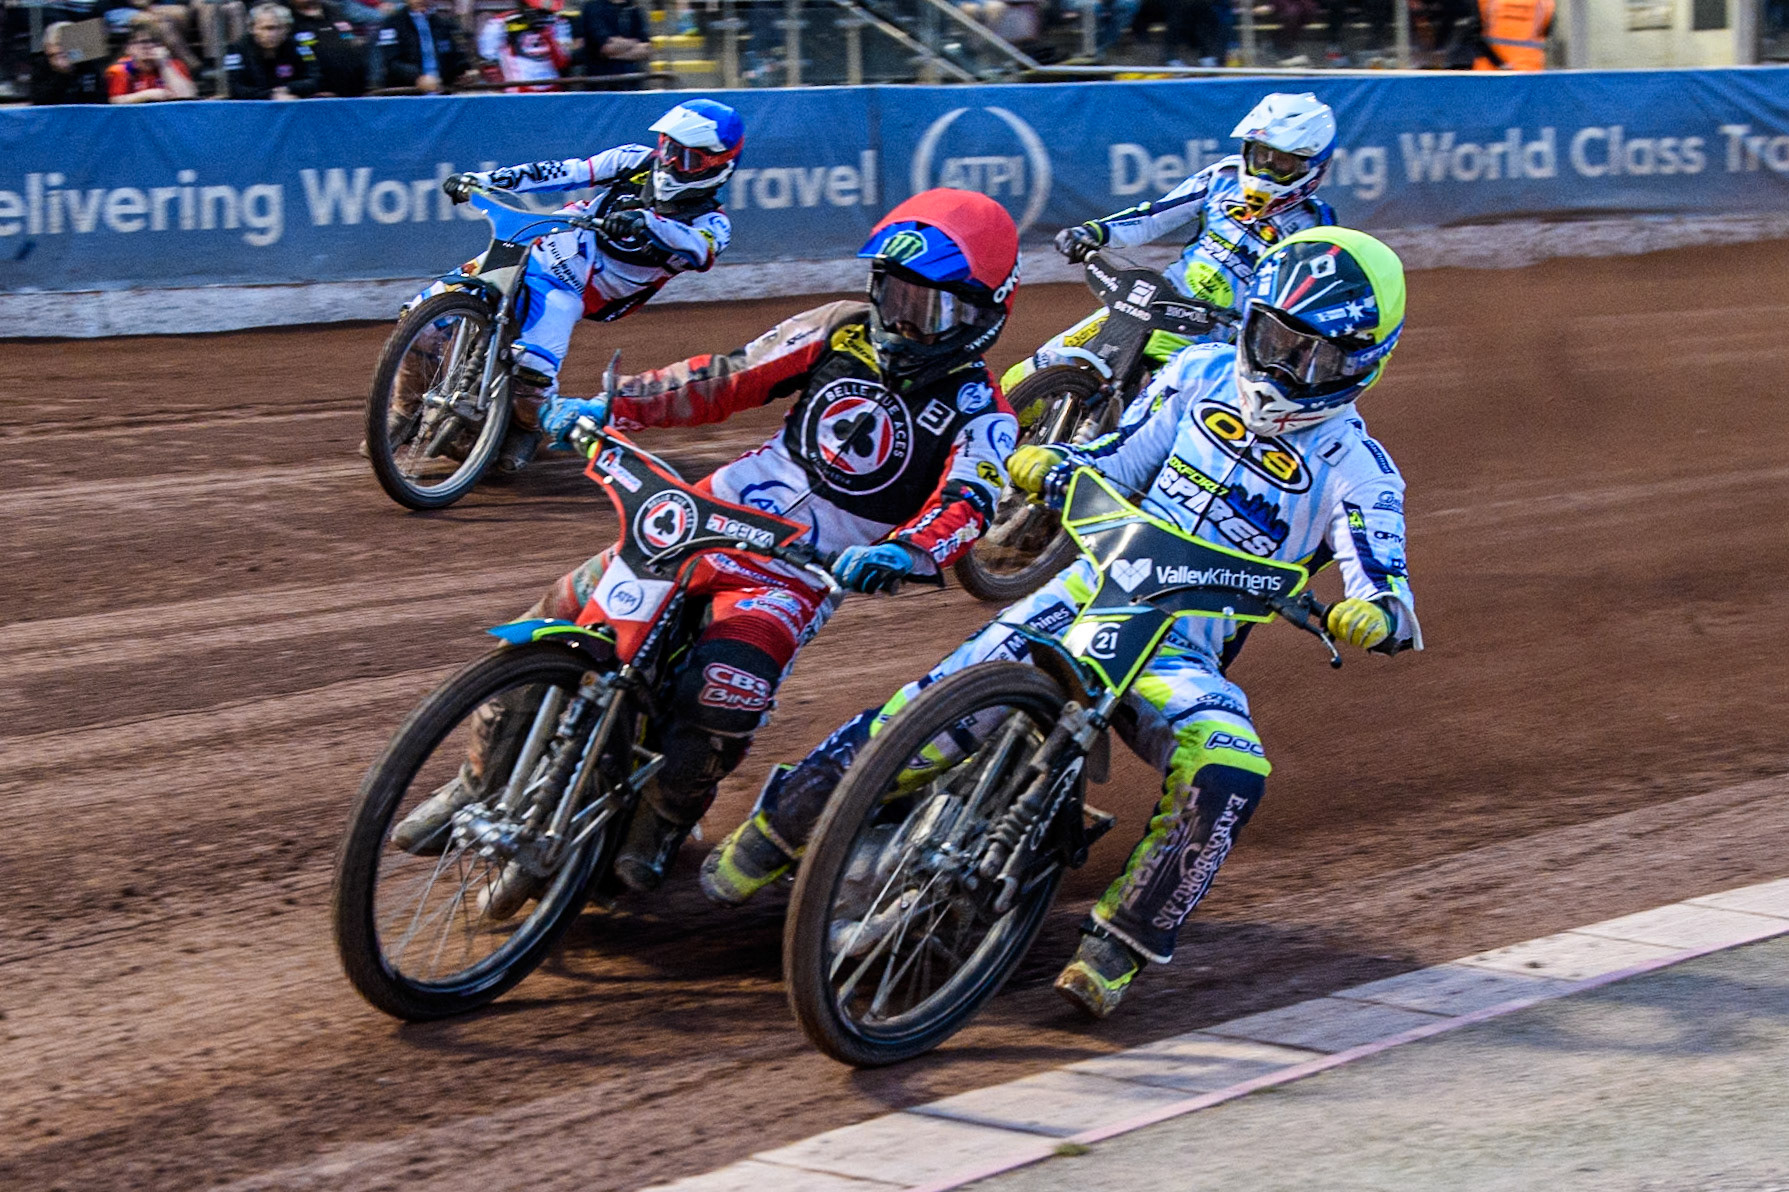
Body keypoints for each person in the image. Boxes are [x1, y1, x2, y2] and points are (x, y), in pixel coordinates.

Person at [705, 227, 1420, 1020]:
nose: (1292, 369)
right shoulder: (1197, 373)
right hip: (1085, 589)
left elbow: (1381, 574)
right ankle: (771, 833)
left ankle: (1121, 942)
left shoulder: (1361, 470)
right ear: (1250, 321)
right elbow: (1117, 455)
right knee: (931, 704)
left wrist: (1377, 612)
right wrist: (1061, 466)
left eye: (1321, 358)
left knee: (1229, 772)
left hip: (1180, 648)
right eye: (1279, 340)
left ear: (1366, 362)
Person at [391, 188, 1024, 908]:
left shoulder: (982, 412)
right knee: (560, 613)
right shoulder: (838, 330)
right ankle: (476, 777)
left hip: (798, 570)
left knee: (721, 691)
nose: (904, 320)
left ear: (980, 315)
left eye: (929, 308)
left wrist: (905, 552)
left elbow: (968, 504)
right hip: (704, 516)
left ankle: (662, 819)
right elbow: (723, 378)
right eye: (895, 294)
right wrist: (612, 405)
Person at [420, 98, 744, 473]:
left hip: (576, 291)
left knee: (533, 373)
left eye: (687, 158)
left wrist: (646, 223)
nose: (670, 162)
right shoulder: (634, 160)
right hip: (542, 244)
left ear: (718, 167)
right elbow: (564, 172)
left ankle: (525, 428)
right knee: (427, 313)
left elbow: (700, 249)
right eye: (669, 149)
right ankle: (399, 413)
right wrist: (488, 180)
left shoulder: (713, 223)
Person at [1006, 92, 1338, 393]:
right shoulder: (1222, 179)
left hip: (1213, 339)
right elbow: (1154, 217)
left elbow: (1298, 305)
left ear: (1311, 168)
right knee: (1024, 376)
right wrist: (1094, 233)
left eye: (1281, 163)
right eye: (1260, 155)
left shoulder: (1315, 229)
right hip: (1150, 303)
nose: (1265, 169)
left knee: (1158, 428)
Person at [224, 2, 319, 97]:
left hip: (291, 102)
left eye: (279, 28)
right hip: (252, 107)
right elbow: (235, 88)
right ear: (252, 29)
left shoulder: (299, 46)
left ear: (288, 29)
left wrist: (287, 89)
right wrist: (271, 95)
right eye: (267, 28)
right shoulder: (237, 49)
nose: (273, 34)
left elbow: (314, 79)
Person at [376, 0, 473, 92]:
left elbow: (455, 57)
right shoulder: (392, 23)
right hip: (405, 94)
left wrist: (464, 71)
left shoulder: (443, 23)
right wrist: (418, 78)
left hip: (442, 92)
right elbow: (392, 62)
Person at [477, 0, 572, 89]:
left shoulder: (559, 22)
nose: (541, 14)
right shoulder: (501, 22)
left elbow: (563, 62)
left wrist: (546, 34)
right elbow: (488, 56)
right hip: (518, 87)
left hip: (553, 87)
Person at [104, 14, 198, 100]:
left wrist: (164, 65)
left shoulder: (175, 66)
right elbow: (116, 101)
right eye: (143, 42)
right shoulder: (121, 70)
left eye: (154, 41)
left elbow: (187, 98)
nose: (148, 46)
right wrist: (147, 95)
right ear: (129, 48)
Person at [288, 0, 365, 94]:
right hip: (316, 94)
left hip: (352, 87)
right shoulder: (287, 17)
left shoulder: (334, 10)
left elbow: (347, 36)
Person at [30, 21, 110, 103]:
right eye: (52, 55)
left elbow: (100, 99)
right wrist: (62, 74)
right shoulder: (41, 65)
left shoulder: (88, 64)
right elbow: (40, 101)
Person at [578, 0, 651, 83]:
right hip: (601, 84)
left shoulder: (634, 9)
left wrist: (614, 54)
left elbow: (646, 49)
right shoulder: (593, 8)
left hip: (632, 83)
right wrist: (634, 43)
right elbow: (607, 48)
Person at [1472, 0, 1552, 69]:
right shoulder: (1543, 2)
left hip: (1489, 69)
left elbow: (1473, 28)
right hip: (1528, 67)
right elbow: (1546, 28)